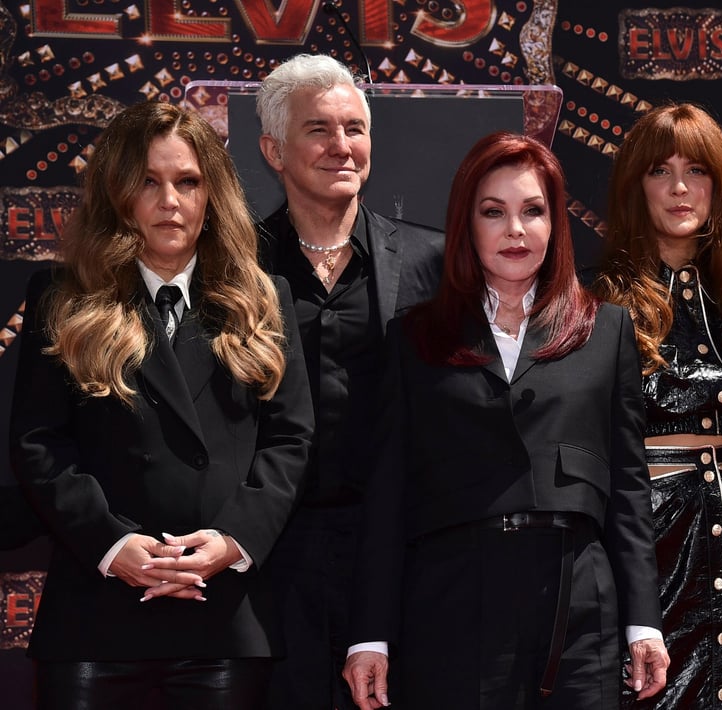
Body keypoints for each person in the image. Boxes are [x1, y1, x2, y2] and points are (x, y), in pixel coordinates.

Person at [341, 131, 669, 710]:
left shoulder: (607, 330)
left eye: (533, 211)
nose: (515, 230)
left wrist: (644, 622)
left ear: (555, 223)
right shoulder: (415, 339)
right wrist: (371, 634)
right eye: (494, 212)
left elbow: (629, 493)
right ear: (466, 224)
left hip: (580, 605)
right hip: (452, 601)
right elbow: (386, 495)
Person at [8, 100, 314, 708]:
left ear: (213, 192)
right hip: (96, 619)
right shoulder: (62, 296)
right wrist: (113, 546)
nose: (169, 200)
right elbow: (38, 442)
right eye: (148, 181)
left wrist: (232, 540)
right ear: (118, 193)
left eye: (187, 181)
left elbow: (290, 439)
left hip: (222, 615)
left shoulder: (264, 299)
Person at [590, 102, 722, 709]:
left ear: (721, 186)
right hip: (647, 551)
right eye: (660, 171)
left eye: (698, 171)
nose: (681, 188)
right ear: (635, 187)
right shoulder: (592, 302)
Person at [254, 53, 444, 710]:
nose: (343, 147)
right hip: (268, 559)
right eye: (319, 130)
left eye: (355, 129)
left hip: (396, 554)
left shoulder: (433, 261)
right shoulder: (235, 267)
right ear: (273, 149)